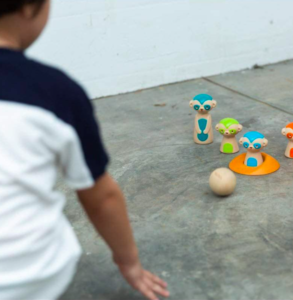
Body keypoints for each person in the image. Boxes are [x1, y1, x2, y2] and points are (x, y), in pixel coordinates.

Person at [0, 1, 170, 300]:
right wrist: (128, 262)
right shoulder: (55, 92)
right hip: (27, 274)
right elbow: (101, 197)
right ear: (28, 7)